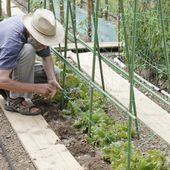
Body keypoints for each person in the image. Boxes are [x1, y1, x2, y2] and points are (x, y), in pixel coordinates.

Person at [0, 8, 64, 116]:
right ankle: (15, 100)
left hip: (6, 66)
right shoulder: (13, 40)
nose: (44, 45)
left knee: (55, 72)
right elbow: (1, 79)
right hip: (2, 73)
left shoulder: (36, 28)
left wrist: (51, 79)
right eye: (42, 41)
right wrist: (37, 88)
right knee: (28, 50)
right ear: (31, 33)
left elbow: (46, 57)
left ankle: (9, 90)